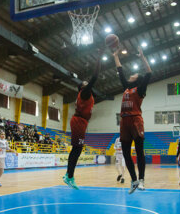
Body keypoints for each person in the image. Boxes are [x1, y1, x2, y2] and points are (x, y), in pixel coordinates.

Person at [112, 46, 151, 194]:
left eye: (134, 74)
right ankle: (134, 180)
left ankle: (141, 180)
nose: (131, 75)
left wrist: (142, 57)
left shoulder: (140, 90)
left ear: (137, 79)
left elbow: (149, 73)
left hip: (135, 120)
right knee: (126, 153)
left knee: (139, 152)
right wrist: (115, 56)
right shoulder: (126, 89)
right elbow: (120, 73)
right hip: (124, 122)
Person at [63, 49, 103, 189]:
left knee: (77, 149)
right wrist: (99, 57)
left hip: (81, 122)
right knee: (77, 150)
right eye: (84, 82)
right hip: (79, 121)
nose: (86, 82)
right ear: (82, 87)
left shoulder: (87, 95)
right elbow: (95, 76)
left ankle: (68, 175)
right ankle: (69, 176)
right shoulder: (85, 93)